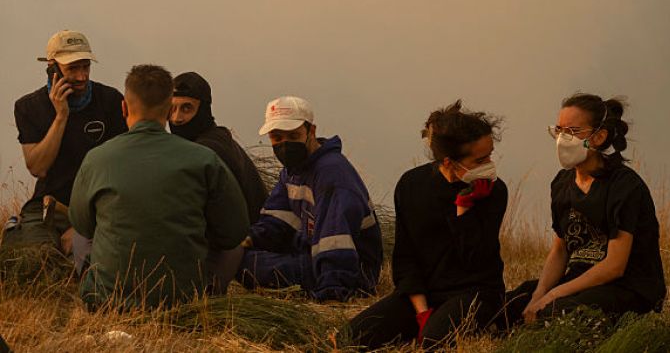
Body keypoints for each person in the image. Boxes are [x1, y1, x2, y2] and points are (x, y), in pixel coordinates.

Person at [68, 64, 249, 309]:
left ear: (124, 107)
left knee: (80, 234)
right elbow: (234, 232)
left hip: (108, 301)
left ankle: (100, 282)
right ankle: (209, 294)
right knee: (235, 246)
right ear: (168, 111)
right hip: (184, 300)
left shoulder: (96, 158)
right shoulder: (205, 159)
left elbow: (82, 224)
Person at [340, 101, 507, 350]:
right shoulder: (411, 185)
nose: (488, 165)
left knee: (433, 341)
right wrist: (421, 311)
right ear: (449, 162)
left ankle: (488, 323)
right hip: (424, 292)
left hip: (476, 292)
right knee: (350, 338)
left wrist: (464, 209)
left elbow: (478, 261)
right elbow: (406, 257)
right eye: (480, 160)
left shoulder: (494, 191)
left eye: (490, 155)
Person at [505, 94, 665, 325]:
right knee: (508, 305)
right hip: (579, 279)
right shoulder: (562, 183)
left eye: (572, 131)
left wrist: (553, 295)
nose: (562, 139)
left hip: (624, 287)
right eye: (559, 130)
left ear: (599, 136)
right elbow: (560, 250)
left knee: (554, 314)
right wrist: (538, 294)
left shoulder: (624, 185)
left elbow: (614, 266)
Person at [238, 96, 383, 302]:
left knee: (249, 267)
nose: (285, 145)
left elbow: (335, 243)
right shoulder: (292, 171)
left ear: (311, 131)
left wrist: (331, 296)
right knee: (242, 261)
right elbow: (277, 222)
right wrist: (246, 241)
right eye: (277, 138)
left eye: (293, 135)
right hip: (310, 258)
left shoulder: (332, 174)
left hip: (351, 272)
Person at [11, 31, 126, 254]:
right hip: (47, 205)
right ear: (52, 68)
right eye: (73, 68)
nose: (82, 76)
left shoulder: (110, 100)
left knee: (92, 256)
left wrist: (84, 225)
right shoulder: (28, 107)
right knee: (37, 258)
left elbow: (120, 168)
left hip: (99, 207)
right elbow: (38, 167)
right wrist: (61, 117)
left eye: (86, 67)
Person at [170, 72, 268, 224]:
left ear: (203, 110)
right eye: (172, 109)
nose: (177, 118)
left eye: (186, 108)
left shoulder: (208, 150)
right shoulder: (217, 140)